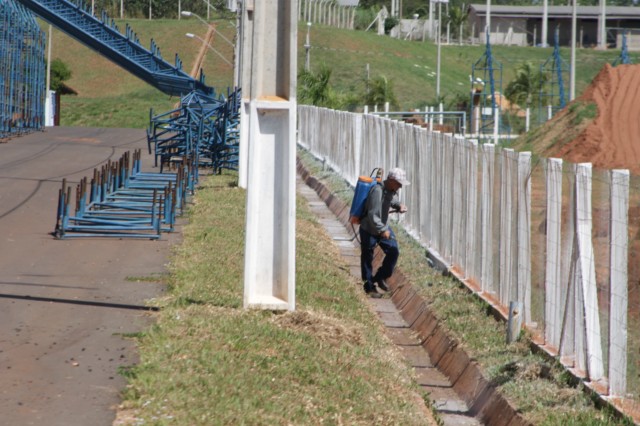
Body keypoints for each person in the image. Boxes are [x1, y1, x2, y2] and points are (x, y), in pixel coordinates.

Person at [359, 167, 409, 298]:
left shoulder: (390, 190)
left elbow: (391, 200)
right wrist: (382, 230)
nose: (400, 187)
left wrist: (398, 206)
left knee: (394, 250)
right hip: (369, 228)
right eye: (399, 184)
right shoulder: (377, 191)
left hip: (382, 227)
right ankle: (368, 287)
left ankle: (381, 277)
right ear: (391, 180)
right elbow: (372, 215)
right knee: (367, 257)